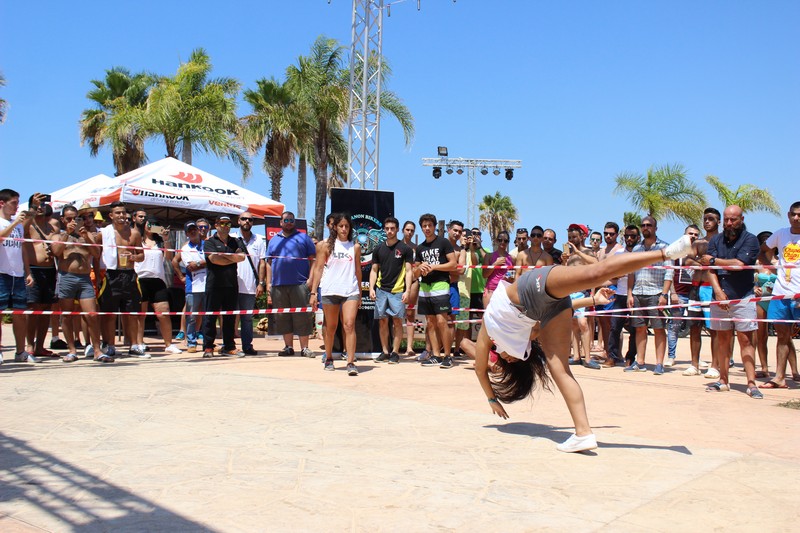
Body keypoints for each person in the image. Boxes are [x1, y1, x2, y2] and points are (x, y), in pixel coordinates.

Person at [472, 233, 694, 453]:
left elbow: (479, 369)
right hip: (544, 307)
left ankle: (666, 253)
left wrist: (492, 398)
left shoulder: (488, 334)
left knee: (596, 273)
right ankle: (583, 433)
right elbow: (561, 307)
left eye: (507, 359)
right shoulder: (525, 339)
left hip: (530, 287)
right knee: (559, 368)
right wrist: (592, 300)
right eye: (514, 360)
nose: (509, 357)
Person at [701, 205, 761, 398]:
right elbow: (709, 270)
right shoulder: (716, 240)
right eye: (726, 219)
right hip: (719, 298)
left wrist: (713, 261)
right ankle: (723, 380)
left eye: (733, 219)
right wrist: (718, 292)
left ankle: (751, 384)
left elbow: (739, 265)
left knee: (746, 341)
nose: (729, 223)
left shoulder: (750, 240)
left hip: (743, 296)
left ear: (741, 219)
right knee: (722, 340)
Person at [50, 205, 106, 363]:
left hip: (84, 278)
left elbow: (96, 254)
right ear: (63, 220)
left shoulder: (88, 235)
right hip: (66, 276)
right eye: (69, 219)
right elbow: (56, 252)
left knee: (92, 315)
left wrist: (87, 237)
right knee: (67, 315)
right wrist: (67, 233)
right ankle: (72, 350)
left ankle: (97, 350)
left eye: (76, 218)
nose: (73, 221)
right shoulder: (58, 235)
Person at [310, 213, 362, 375]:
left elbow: (358, 270)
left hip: (350, 290)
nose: (344, 229)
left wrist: (359, 291)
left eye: (347, 226)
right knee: (330, 326)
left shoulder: (355, 247)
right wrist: (313, 292)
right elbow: (318, 268)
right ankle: (329, 358)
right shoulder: (325, 246)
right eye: (341, 226)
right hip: (330, 290)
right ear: (335, 227)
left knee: (349, 324)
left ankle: (351, 362)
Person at [759, 200, 800, 389]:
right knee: (782, 336)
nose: (796, 218)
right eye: (793, 214)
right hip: (781, 293)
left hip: (799, 295)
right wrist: (771, 267)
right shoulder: (781, 234)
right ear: (788, 215)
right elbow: (762, 251)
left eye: (799, 215)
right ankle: (780, 377)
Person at [624, 216, 673, 375]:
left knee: (659, 329)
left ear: (655, 228)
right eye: (643, 225)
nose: (646, 228)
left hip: (656, 294)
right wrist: (629, 294)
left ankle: (659, 364)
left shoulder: (665, 247)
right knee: (639, 329)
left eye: (649, 225)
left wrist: (664, 295)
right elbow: (631, 273)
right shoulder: (636, 249)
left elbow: (669, 273)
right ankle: (640, 362)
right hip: (638, 293)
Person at [265, 211, 316, 357]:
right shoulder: (274, 240)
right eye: (286, 220)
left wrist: (310, 280)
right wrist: (269, 284)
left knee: (302, 316)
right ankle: (288, 347)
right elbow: (268, 263)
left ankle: (305, 348)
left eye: (291, 220)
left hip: (299, 284)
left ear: (295, 222)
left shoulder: (304, 238)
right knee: (282, 317)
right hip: (278, 285)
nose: (289, 222)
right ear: (280, 223)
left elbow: (312, 260)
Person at [97, 202, 144, 358]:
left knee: (131, 313)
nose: (121, 216)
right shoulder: (104, 233)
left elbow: (141, 255)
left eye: (123, 213)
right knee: (109, 313)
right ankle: (109, 345)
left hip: (129, 275)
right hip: (111, 275)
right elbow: (95, 254)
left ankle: (134, 345)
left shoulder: (135, 234)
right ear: (111, 216)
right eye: (118, 213)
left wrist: (134, 257)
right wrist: (98, 275)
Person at [414, 213, 457, 368]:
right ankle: (436, 355)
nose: (427, 228)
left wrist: (434, 266)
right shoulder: (420, 248)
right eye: (424, 226)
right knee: (430, 323)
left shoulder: (443, 242)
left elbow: (453, 265)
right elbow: (414, 273)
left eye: (429, 225)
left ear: (434, 226)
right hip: (425, 287)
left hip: (441, 285)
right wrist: (420, 268)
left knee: (442, 321)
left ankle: (447, 355)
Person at [369, 216, 413, 364]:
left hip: (398, 290)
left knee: (397, 322)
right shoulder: (378, 249)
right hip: (381, 290)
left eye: (392, 228)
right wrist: (371, 288)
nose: (389, 231)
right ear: (384, 230)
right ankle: (385, 351)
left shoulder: (405, 249)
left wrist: (407, 291)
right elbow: (374, 271)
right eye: (387, 228)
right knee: (382, 321)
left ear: (397, 230)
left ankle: (395, 352)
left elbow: (408, 271)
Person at [134, 216, 181, 356]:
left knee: (164, 312)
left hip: (157, 280)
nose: (151, 226)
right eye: (149, 223)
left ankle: (169, 344)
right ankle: (139, 343)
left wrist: (166, 239)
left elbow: (168, 257)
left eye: (155, 224)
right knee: (140, 315)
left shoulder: (159, 242)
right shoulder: (137, 240)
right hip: (141, 278)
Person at [202, 215, 246, 358]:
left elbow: (241, 257)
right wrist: (231, 256)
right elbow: (214, 260)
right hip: (214, 285)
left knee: (229, 318)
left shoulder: (236, 241)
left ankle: (229, 347)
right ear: (216, 225)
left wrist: (225, 256)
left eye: (228, 223)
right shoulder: (209, 242)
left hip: (231, 285)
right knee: (210, 317)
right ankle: (208, 347)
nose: (225, 226)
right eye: (222, 223)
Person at [0, 188, 35, 364]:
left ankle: (20, 351)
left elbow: (23, 250)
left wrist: (28, 272)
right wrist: (14, 224)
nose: (16, 207)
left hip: (18, 275)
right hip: (1, 274)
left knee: (20, 314)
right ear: (2, 203)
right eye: (13, 203)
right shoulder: (3, 222)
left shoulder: (18, 226)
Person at [23, 194, 57, 359]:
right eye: (38, 204)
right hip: (34, 270)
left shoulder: (52, 228)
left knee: (46, 309)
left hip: (50, 270)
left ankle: (40, 346)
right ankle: (29, 344)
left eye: (43, 204)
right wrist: (32, 208)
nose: (41, 206)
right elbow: (21, 230)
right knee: (33, 308)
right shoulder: (29, 225)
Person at [666, 225, 702, 368]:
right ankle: (671, 356)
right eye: (690, 233)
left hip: (696, 295)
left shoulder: (701, 254)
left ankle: (696, 360)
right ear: (684, 235)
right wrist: (673, 293)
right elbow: (669, 273)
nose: (693, 236)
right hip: (679, 295)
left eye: (696, 234)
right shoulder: (677, 252)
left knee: (697, 328)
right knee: (674, 326)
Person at [605, 225, 640, 367]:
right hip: (620, 294)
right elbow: (610, 272)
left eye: (632, 236)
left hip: (637, 294)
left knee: (635, 328)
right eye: (627, 236)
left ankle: (630, 357)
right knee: (614, 327)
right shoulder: (619, 253)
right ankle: (612, 357)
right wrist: (620, 274)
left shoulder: (641, 253)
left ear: (638, 238)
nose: (629, 239)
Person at [233, 211, 266, 356]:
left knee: (247, 318)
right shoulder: (232, 238)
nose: (247, 221)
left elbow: (262, 263)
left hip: (250, 285)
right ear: (238, 221)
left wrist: (261, 283)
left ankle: (247, 346)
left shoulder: (259, 240)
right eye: (244, 219)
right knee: (229, 317)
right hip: (232, 285)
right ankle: (229, 345)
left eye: (250, 220)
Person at [172, 221, 206, 353]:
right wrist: (181, 276)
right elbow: (190, 266)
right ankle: (191, 342)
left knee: (209, 316)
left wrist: (201, 262)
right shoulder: (185, 248)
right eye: (190, 230)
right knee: (191, 316)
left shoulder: (207, 245)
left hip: (208, 286)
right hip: (193, 286)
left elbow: (214, 261)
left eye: (194, 229)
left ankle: (208, 343)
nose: (193, 232)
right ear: (186, 233)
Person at [753, 231, 779, 378]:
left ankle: (791, 370)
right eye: (762, 241)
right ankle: (764, 367)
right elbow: (750, 280)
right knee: (761, 335)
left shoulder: (779, 262)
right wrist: (753, 288)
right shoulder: (756, 263)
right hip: (761, 300)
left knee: (784, 336)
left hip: (777, 299)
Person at [446, 220, 469, 357]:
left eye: (460, 232)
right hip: (439, 287)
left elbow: (461, 271)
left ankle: (447, 353)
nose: (457, 233)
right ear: (449, 230)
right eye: (455, 230)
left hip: (454, 287)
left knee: (451, 322)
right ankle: (430, 351)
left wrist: (446, 269)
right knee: (434, 321)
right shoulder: (441, 245)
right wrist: (452, 268)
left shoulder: (461, 251)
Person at [401, 220, 420, 357]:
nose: (410, 232)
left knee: (410, 314)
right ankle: (392, 346)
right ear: (402, 230)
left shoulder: (416, 248)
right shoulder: (397, 245)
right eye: (407, 230)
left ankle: (409, 347)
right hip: (397, 283)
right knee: (393, 315)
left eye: (412, 230)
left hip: (413, 282)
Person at [482, 230, 513, 308]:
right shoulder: (489, 256)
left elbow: (513, 276)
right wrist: (495, 264)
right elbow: (484, 275)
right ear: (496, 241)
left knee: (503, 318)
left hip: (505, 291)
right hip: (491, 290)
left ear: (508, 243)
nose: (502, 242)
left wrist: (509, 278)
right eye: (500, 240)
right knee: (488, 316)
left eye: (505, 241)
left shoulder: (512, 258)